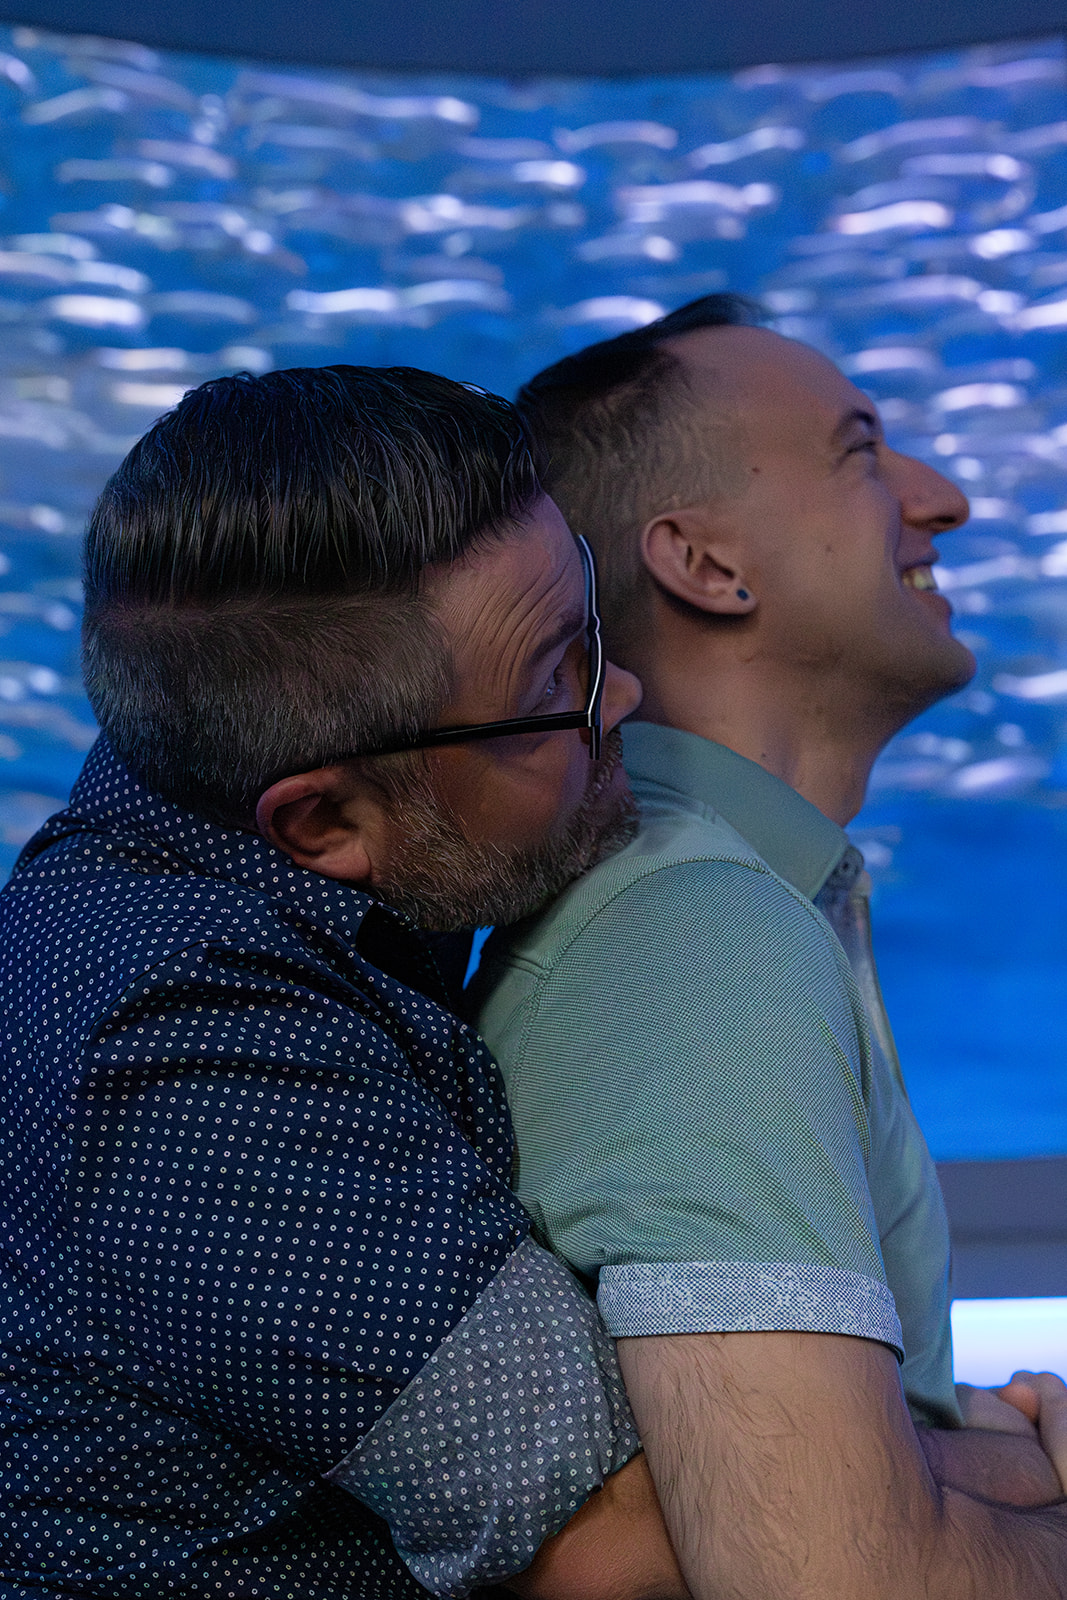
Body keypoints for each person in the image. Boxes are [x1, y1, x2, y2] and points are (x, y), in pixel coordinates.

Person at [0, 365, 690, 1600]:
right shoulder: (174, 1046)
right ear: (322, 820)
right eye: (556, 680)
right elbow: (620, 1551)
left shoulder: (207, 833)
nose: (622, 691)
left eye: (588, 614)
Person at [476, 296, 1067, 1597]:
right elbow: (827, 1579)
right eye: (859, 450)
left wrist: (994, 1443)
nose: (942, 495)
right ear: (703, 566)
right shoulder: (696, 938)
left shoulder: (737, 899)